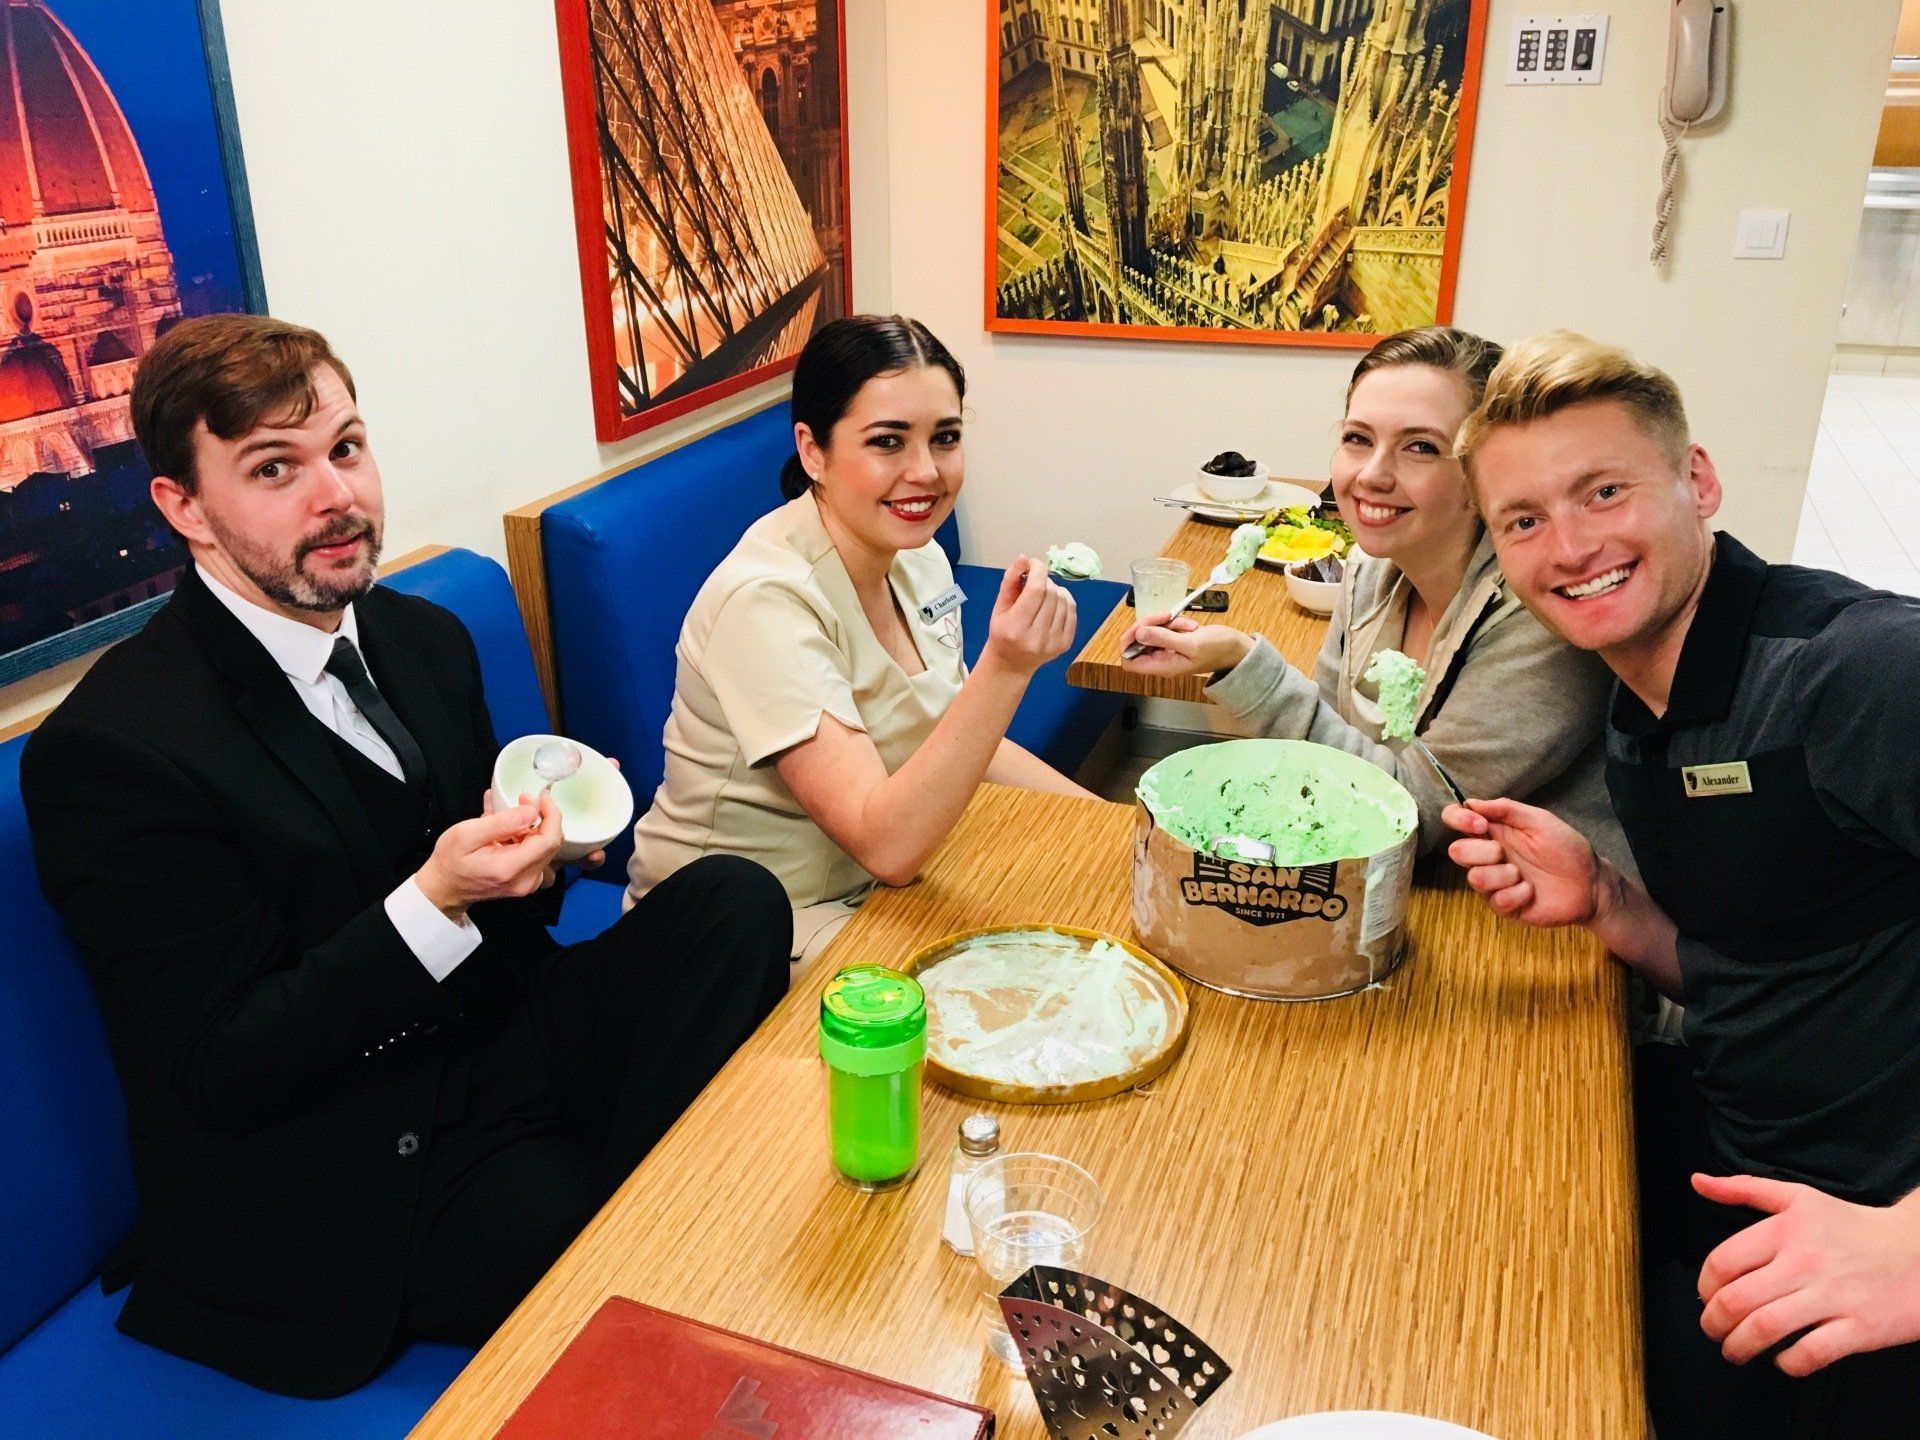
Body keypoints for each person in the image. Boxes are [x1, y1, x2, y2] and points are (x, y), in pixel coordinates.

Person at [21, 315, 792, 1398]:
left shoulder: (422, 638)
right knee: (567, 1212)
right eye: (273, 468)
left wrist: (548, 853)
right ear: (182, 507)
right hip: (341, 1153)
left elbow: (509, 928)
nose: (335, 495)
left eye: (345, 448)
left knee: (735, 903)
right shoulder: (114, 751)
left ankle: (658, 1233)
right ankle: (663, 1253)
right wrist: (435, 899)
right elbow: (221, 1067)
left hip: (498, 1035)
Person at [1442, 330, 1920, 1439]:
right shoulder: (1638, 700)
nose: (1568, 546)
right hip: (1738, 1157)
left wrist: (1907, 1245)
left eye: (1602, 492)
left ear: (1694, 480)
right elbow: (1761, 964)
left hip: (1874, 1225)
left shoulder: (1857, 672)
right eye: (1523, 520)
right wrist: (1611, 904)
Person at [627, 315, 1091, 964]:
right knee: (1028, 984)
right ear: (813, 450)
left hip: (870, 890)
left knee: (1085, 924)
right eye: (888, 442)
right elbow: (887, 847)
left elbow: (957, 734)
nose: (926, 471)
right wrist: (1007, 668)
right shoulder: (766, 600)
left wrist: (1124, 826)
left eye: (945, 437)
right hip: (736, 935)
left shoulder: (916, 556)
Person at [1120, 326, 1630, 870]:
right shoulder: (1371, 566)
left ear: (1487, 475)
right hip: (1385, 877)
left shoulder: (1542, 616)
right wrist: (1232, 660)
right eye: (1358, 438)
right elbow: (1318, 765)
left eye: (1421, 447)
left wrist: (1246, 665)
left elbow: (1415, 810)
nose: (1371, 475)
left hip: (1525, 926)